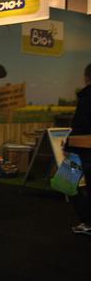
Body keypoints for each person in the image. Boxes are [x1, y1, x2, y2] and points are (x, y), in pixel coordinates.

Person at [65, 63, 91, 235]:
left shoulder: (86, 97)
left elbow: (80, 125)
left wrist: (68, 145)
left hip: (81, 148)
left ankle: (87, 221)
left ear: (86, 76)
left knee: (66, 181)